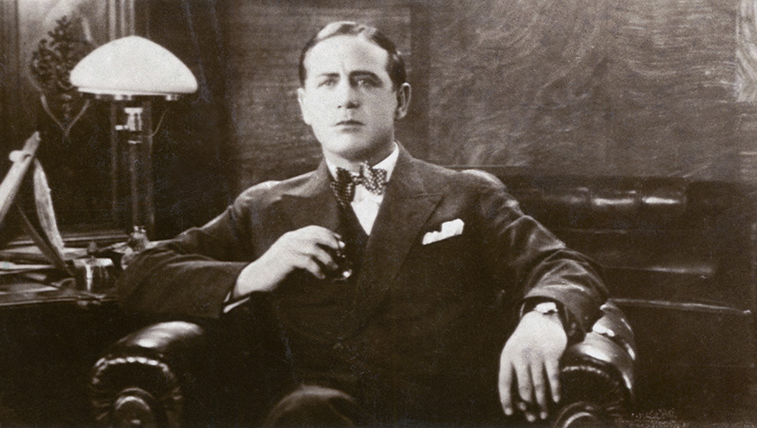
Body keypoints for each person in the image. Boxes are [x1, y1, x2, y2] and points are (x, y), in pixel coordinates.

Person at [117, 21, 607, 426]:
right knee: (308, 410)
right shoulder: (265, 207)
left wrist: (543, 319)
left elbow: (564, 266)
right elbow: (141, 272)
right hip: (320, 419)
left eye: (366, 81)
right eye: (327, 82)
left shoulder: (468, 194)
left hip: (443, 415)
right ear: (304, 106)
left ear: (401, 100)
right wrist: (252, 273)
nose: (346, 98)